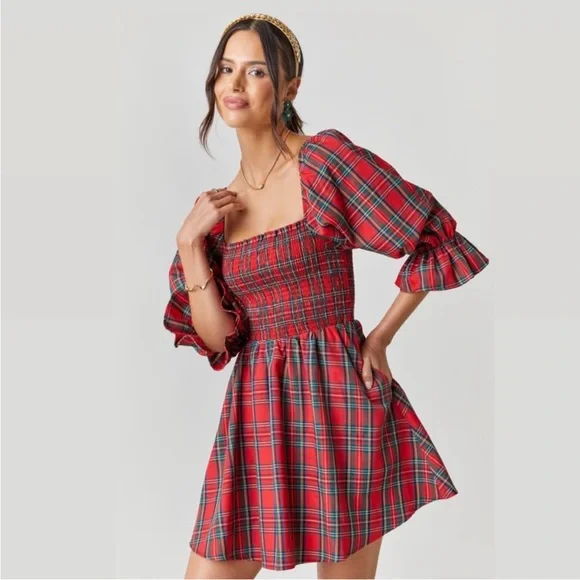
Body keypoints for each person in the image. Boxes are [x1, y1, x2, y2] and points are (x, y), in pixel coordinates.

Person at [163, 12, 490, 580]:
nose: (235, 84)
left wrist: (380, 338)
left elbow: (435, 238)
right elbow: (218, 341)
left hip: (340, 401)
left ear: (289, 87)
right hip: (257, 413)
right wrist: (190, 246)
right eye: (226, 68)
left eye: (256, 70)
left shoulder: (323, 164)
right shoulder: (213, 211)